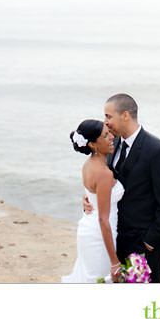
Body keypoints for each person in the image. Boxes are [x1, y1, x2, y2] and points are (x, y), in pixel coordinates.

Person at [86, 92, 160, 283]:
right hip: (115, 240)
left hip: (143, 246)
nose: (105, 122)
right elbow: (104, 183)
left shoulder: (158, 151)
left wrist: (150, 242)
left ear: (125, 116)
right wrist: (90, 199)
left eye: (108, 116)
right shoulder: (111, 145)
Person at [62, 119, 124, 283]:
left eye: (109, 132)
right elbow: (103, 220)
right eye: (105, 136)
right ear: (93, 145)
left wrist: (86, 200)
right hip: (99, 236)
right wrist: (114, 262)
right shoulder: (104, 173)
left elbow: (91, 193)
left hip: (88, 228)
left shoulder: (88, 165)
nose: (111, 137)